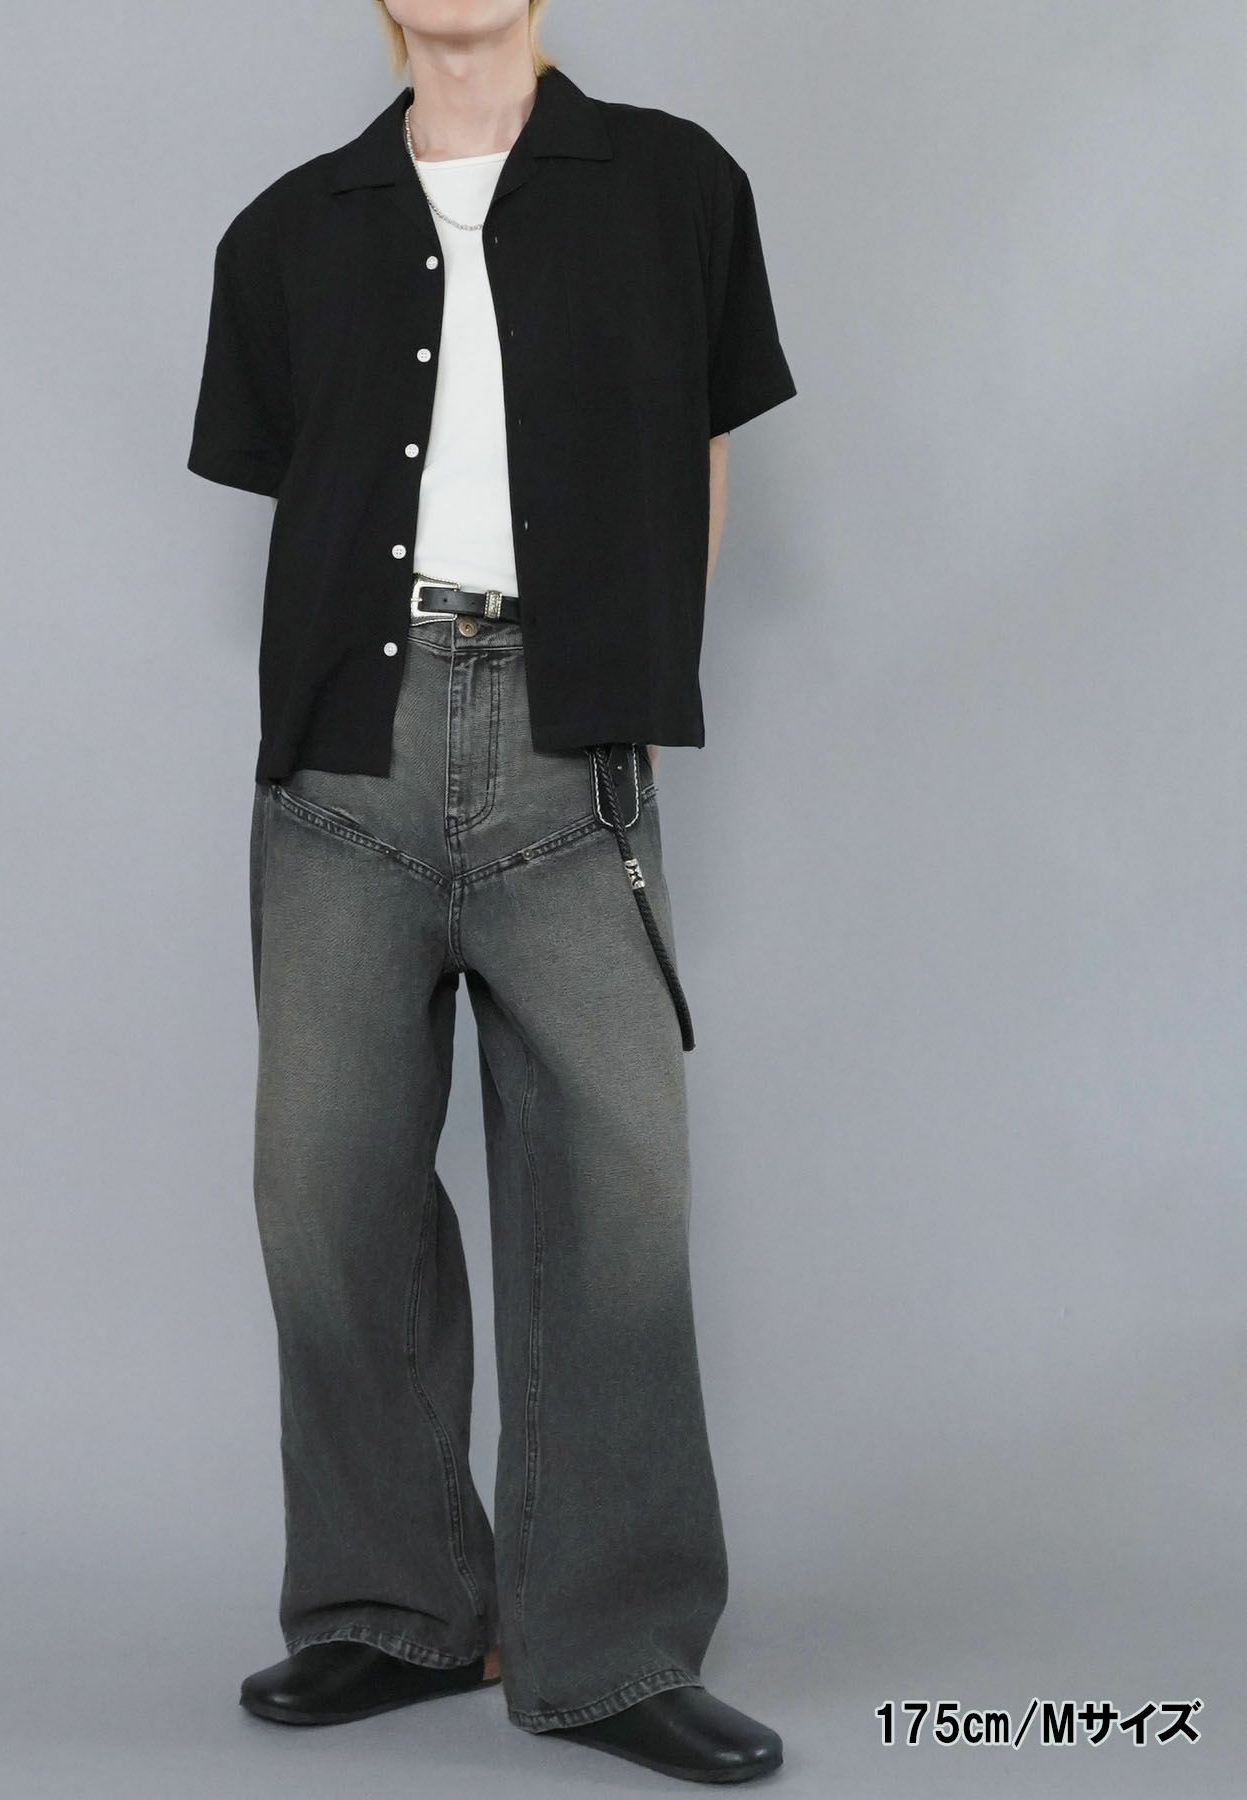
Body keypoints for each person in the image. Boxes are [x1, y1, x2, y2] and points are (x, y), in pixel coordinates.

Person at [187, 0, 796, 1782]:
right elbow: (296, 486)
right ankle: (395, 1608)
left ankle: (611, 1646)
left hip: (565, 737)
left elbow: (705, 448)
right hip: (344, 757)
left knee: (614, 1200)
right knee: (326, 1193)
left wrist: (621, 674)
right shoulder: (287, 229)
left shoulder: (676, 186)